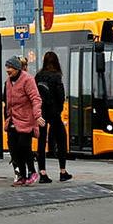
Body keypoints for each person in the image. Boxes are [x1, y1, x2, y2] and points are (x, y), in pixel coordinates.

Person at [4, 56, 41, 186]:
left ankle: (32, 172)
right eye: (7, 67)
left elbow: (35, 99)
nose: (8, 70)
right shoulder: (8, 82)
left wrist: (37, 115)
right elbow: (7, 101)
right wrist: (7, 118)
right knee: (13, 149)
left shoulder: (27, 80)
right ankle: (21, 176)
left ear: (17, 68)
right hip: (12, 120)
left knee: (23, 146)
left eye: (10, 68)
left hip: (26, 120)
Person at [34, 50, 71, 183]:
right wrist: (59, 110)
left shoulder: (38, 76)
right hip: (54, 113)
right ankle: (62, 171)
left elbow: (34, 94)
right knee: (61, 139)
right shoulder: (56, 76)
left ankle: (42, 173)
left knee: (41, 142)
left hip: (41, 112)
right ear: (56, 62)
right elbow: (60, 96)